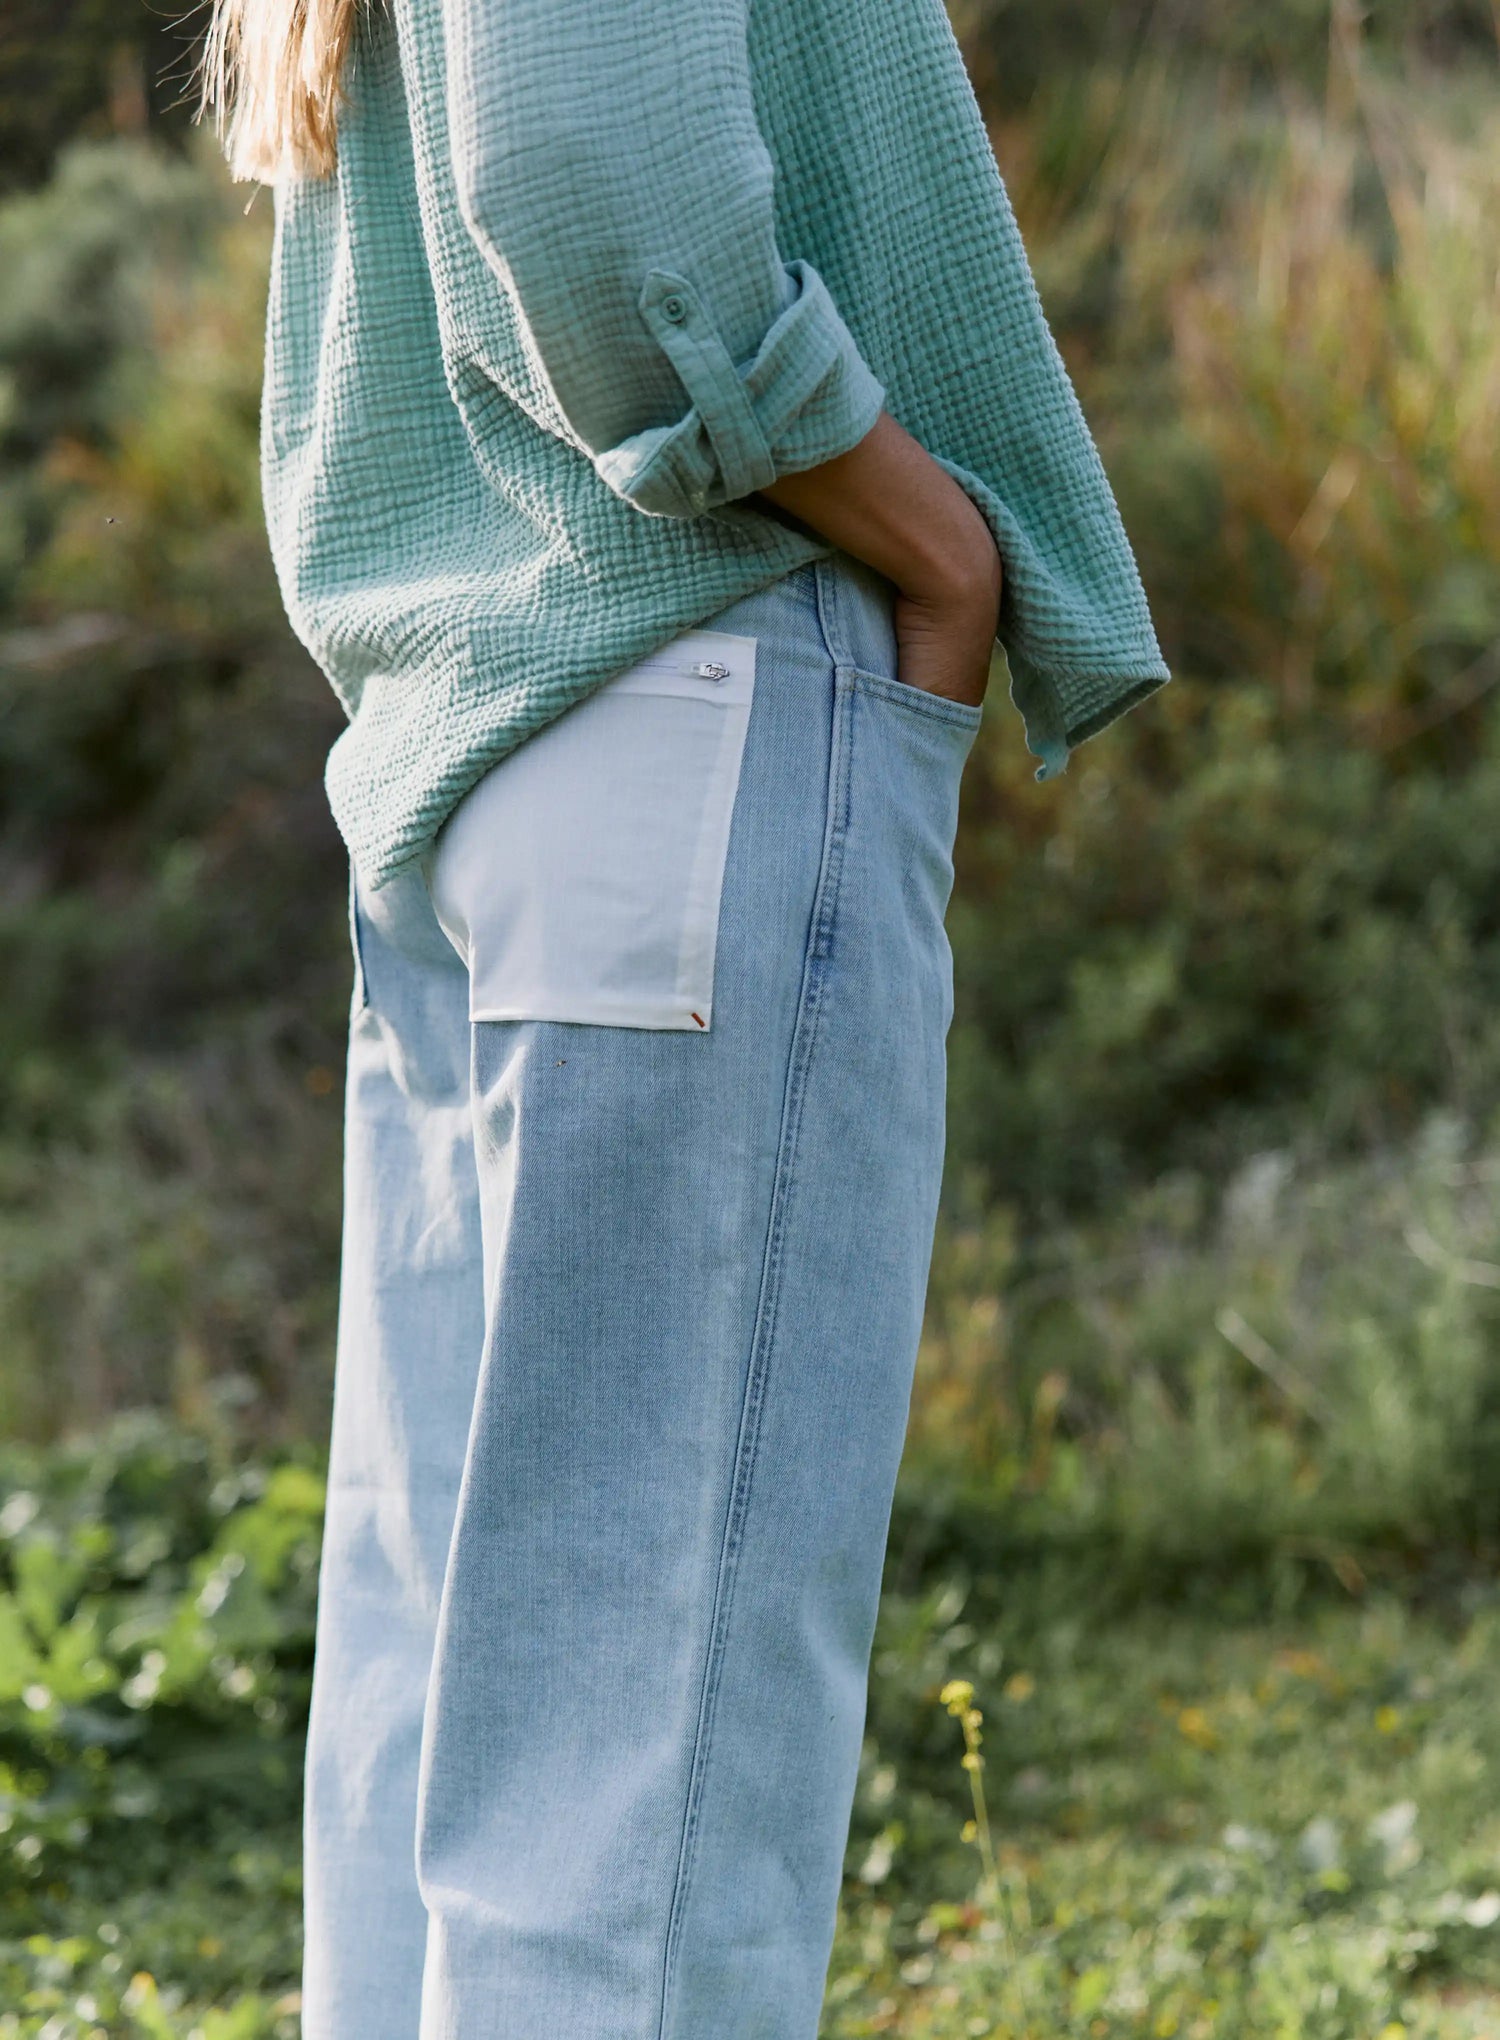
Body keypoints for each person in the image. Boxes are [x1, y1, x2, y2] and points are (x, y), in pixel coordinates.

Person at [200, 0, 1167, 2031]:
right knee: (650, 1750)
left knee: (460, 1697)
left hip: (491, 758)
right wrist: (937, 545)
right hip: (699, 701)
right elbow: (583, 173)